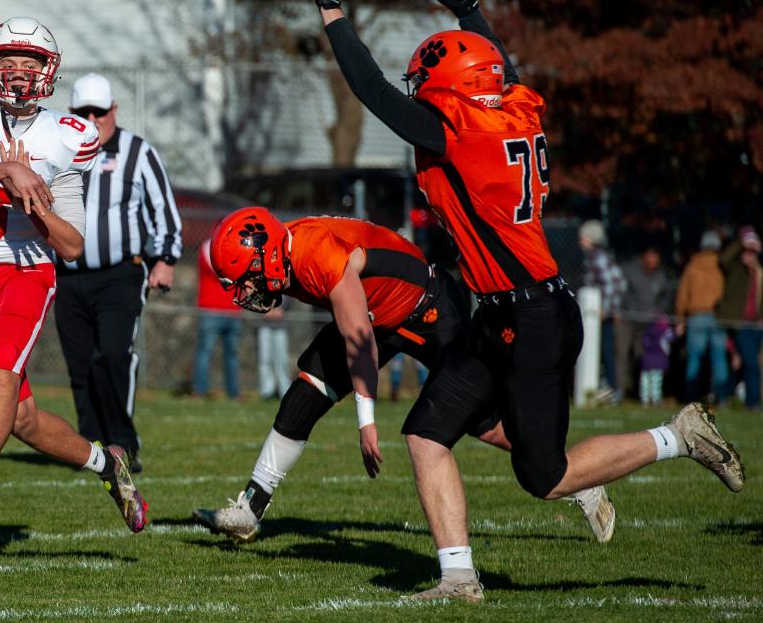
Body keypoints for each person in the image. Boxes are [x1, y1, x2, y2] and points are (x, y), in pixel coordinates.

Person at [307, 0, 745, 601]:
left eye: (427, 85)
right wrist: (470, 11)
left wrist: (332, 9)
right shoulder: (514, 109)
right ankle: (458, 578)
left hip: (530, 317)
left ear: (446, 86)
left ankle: (676, 436)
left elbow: (371, 90)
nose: (419, 98)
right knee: (427, 433)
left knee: (545, 476)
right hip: (507, 312)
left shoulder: (458, 129)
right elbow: (498, 67)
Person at [193, 208, 614, 559]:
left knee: (481, 419)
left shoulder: (315, 256)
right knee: (306, 391)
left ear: (264, 254)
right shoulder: (288, 254)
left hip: (427, 307)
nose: (243, 293)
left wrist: (366, 419)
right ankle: (251, 509)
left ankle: (575, 477)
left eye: (245, 279)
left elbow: (359, 341)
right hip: (377, 313)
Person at [0, 16, 146, 533]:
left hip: (25, 271)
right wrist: (7, 169)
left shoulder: (66, 137)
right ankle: (106, 464)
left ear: (48, 70)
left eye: (31, 61)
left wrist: (36, 204)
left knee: (4, 376)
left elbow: (71, 245)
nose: (19, 70)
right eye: (9, 59)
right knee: (19, 417)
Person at [54, 73, 182, 473]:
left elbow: (165, 211)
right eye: (83, 111)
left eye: (99, 111)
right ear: (71, 113)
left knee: (113, 353)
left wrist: (165, 259)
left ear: (114, 111)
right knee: (80, 363)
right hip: (69, 277)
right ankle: (89, 446)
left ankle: (122, 442)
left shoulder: (137, 152)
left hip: (120, 274)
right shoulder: (58, 151)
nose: (92, 119)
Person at [675, 231, 728, 404]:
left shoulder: (693, 266)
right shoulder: (722, 266)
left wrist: (680, 317)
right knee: (719, 357)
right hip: (718, 316)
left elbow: (683, 294)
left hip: (696, 316)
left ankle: (691, 397)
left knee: (694, 358)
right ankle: (722, 398)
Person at [617, 246, 674, 401]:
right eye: (651, 256)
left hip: (648, 324)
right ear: (644, 257)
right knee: (622, 355)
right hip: (627, 320)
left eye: (656, 257)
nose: (654, 261)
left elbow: (667, 295)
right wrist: (620, 309)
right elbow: (619, 290)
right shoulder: (630, 271)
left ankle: (638, 392)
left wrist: (659, 311)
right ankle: (620, 390)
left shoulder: (660, 276)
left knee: (642, 357)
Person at [579, 219, 627, 401]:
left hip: (600, 314)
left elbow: (612, 284)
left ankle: (612, 390)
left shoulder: (597, 257)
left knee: (606, 350)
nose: (580, 240)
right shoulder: (594, 257)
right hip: (597, 313)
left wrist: (606, 309)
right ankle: (603, 388)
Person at [192, 238, 243, 400]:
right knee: (205, 352)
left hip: (233, 310)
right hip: (211, 310)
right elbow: (221, 269)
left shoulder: (237, 248)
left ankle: (233, 393)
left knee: (232, 356)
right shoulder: (208, 246)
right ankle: (200, 391)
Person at [718, 226, 763, 410]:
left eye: (752, 252)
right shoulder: (735, 270)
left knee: (745, 363)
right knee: (750, 362)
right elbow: (724, 258)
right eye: (746, 252)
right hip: (739, 324)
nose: (749, 256)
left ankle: (727, 395)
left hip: (756, 325)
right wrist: (740, 243)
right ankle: (752, 402)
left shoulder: (759, 273)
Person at [257, 296, 290, 402]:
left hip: (280, 324)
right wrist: (265, 310)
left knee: (282, 359)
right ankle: (267, 391)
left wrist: (281, 309)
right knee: (265, 359)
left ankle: (284, 390)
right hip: (264, 324)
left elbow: (290, 297)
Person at [639, 315, 674, 407]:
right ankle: (656, 399)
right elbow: (673, 338)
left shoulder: (649, 330)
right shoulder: (666, 331)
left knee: (645, 381)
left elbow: (644, 342)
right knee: (656, 382)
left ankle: (645, 399)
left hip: (647, 362)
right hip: (659, 362)